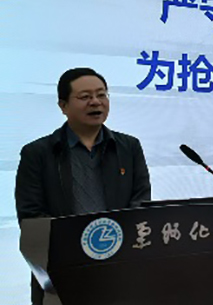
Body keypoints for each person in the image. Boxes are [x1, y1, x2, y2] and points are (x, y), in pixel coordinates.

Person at [15, 68, 151, 305]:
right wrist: (81, 248)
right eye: (85, 96)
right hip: (62, 273)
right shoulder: (38, 153)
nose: (96, 102)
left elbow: (140, 202)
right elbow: (31, 216)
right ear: (63, 105)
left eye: (102, 94)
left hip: (118, 268)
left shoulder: (128, 147)